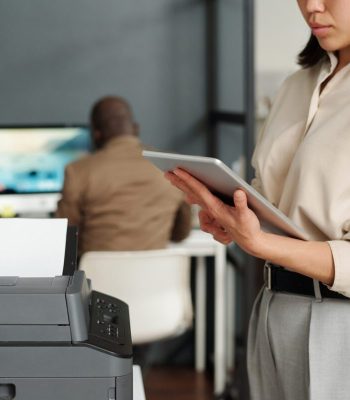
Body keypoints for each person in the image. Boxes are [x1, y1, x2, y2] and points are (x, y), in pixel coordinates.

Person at [165, 1, 350, 399]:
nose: (311, 7)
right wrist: (235, 217)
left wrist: (260, 242)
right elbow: (273, 198)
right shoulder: (296, 86)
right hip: (273, 309)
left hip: (341, 323)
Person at [56, 96, 191, 256]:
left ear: (96, 134)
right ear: (135, 129)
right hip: (154, 277)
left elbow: (65, 237)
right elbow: (181, 233)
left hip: (98, 278)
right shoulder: (172, 167)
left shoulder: (77, 171)